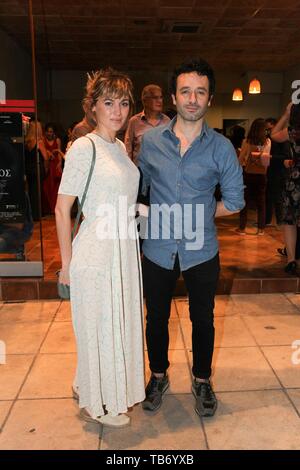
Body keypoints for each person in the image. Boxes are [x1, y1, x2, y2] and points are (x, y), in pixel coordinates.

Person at [138, 58, 244, 417]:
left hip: (201, 249)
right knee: (155, 318)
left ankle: (202, 380)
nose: (193, 99)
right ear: (174, 96)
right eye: (186, 91)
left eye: (200, 92)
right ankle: (158, 375)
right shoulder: (150, 143)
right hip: (157, 247)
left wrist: (195, 213)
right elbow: (142, 189)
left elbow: (234, 201)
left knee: (204, 317)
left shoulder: (221, 148)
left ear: (210, 98)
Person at [55, 67, 145, 427]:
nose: (118, 110)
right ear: (92, 106)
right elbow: (63, 208)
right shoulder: (84, 147)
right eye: (108, 102)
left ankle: (85, 383)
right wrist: (66, 264)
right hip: (96, 253)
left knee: (107, 322)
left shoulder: (119, 146)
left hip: (121, 249)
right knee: (101, 324)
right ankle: (99, 405)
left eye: (123, 102)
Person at [271, 102, 300, 275]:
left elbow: (274, 134)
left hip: (295, 179)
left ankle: (291, 260)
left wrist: (285, 115)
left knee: (290, 221)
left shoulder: (293, 132)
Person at [237, 118, 271, 235]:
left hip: (248, 174)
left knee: (244, 201)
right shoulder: (267, 142)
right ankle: (261, 229)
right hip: (261, 174)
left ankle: (242, 228)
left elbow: (240, 159)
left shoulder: (247, 141)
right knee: (261, 202)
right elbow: (266, 161)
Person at [124, 84, 170, 165]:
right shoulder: (134, 122)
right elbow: (128, 150)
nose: (159, 101)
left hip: (161, 172)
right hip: (140, 172)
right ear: (145, 100)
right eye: (155, 97)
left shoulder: (167, 121)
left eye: (161, 97)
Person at [264, 118, 290, 226]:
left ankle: (280, 222)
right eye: (267, 129)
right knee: (268, 197)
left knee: (278, 198)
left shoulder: (283, 139)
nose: (268, 131)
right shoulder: (268, 139)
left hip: (279, 172)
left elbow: (285, 156)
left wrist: (270, 156)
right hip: (270, 170)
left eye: (270, 128)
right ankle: (267, 221)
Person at [24, 120, 48, 221]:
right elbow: (45, 157)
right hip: (37, 169)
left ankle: (31, 214)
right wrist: (46, 168)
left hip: (28, 169)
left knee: (31, 192)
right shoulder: (39, 141)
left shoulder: (27, 141)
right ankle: (36, 215)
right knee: (37, 192)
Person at [43, 123, 63, 214]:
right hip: (47, 166)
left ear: (54, 132)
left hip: (55, 165)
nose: (49, 133)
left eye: (51, 131)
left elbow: (59, 153)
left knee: (56, 187)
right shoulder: (42, 140)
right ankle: (48, 208)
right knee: (47, 187)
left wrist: (60, 163)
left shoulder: (57, 140)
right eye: (47, 131)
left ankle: (55, 208)